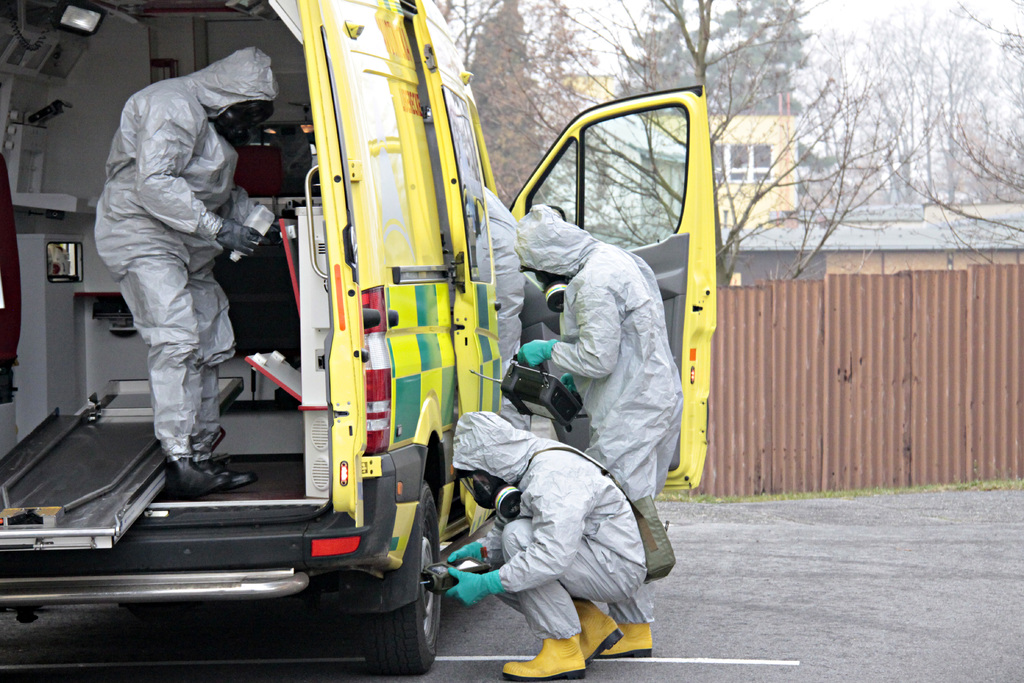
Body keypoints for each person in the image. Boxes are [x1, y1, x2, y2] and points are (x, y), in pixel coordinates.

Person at [94, 48, 278, 498]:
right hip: (143, 235)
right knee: (176, 339)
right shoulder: (172, 105)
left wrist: (248, 220)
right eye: (245, 113)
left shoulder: (211, 126)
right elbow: (156, 183)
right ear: (226, 95)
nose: (247, 126)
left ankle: (201, 454)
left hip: (188, 246)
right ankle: (179, 461)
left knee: (210, 341)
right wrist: (220, 229)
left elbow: (214, 190)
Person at [513, 205, 684, 657]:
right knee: (632, 511)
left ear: (551, 264)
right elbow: (622, 343)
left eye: (538, 274)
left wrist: (550, 351)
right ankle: (632, 625)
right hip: (652, 398)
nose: (542, 285)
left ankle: (632, 627)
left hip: (633, 413)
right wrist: (578, 380)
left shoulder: (592, 282)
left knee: (617, 517)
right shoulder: (617, 259)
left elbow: (598, 357)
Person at [445, 412, 646, 681]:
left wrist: (487, 583)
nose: (479, 488)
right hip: (594, 556)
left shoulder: (552, 478)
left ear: (492, 462)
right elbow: (515, 525)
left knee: (516, 543)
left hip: (617, 568)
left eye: (479, 479)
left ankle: (563, 650)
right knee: (503, 553)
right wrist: (481, 552)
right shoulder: (522, 464)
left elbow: (551, 555)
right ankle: (589, 625)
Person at [484, 188, 529, 430]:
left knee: (498, 370)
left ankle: (510, 440)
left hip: (499, 286)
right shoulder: (487, 202)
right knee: (504, 366)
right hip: (505, 279)